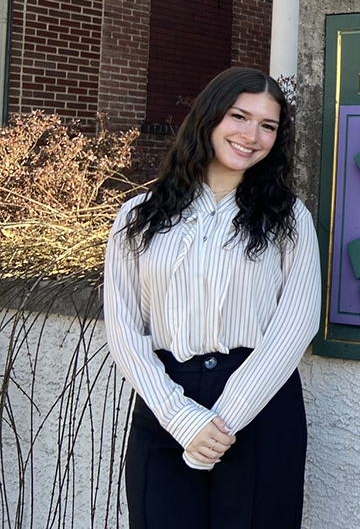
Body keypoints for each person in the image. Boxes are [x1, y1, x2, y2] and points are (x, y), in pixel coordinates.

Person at [103, 67, 320, 528]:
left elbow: (295, 325)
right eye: (239, 116)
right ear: (209, 117)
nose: (251, 135)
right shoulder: (138, 217)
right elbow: (123, 327)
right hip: (166, 404)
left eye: (268, 125)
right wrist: (183, 420)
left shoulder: (289, 219)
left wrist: (223, 421)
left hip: (260, 406)